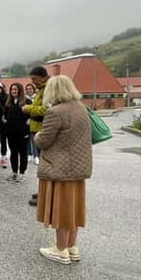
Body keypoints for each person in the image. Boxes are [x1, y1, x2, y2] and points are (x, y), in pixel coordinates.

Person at [34, 76, 93, 264]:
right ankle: (71, 247)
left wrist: (37, 135)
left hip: (61, 167)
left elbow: (44, 141)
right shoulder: (81, 109)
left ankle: (60, 250)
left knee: (62, 209)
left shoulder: (55, 112)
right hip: (79, 166)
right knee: (74, 208)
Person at [23, 68, 48, 206]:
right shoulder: (41, 89)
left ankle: (45, 195)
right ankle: (43, 190)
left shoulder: (48, 89)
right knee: (42, 166)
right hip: (36, 129)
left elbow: (46, 109)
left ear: (43, 77)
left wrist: (28, 108)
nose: (33, 82)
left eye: (34, 79)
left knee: (45, 165)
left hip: (43, 130)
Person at [4, 82, 32, 183]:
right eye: (12, 90)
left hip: (23, 132)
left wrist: (28, 123)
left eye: (15, 89)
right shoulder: (9, 103)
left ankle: (22, 173)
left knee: (23, 153)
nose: (13, 91)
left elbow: (32, 115)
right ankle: (14, 172)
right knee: (13, 153)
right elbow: (5, 116)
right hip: (11, 133)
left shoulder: (27, 101)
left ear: (20, 90)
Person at [25, 83, 40, 165]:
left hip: (35, 120)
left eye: (30, 89)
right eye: (27, 89)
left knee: (35, 139)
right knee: (27, 139)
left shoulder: (37, 98)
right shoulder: (24, 99)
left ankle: (36, 156)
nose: (29, 90)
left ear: (34, 90)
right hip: (26, 122)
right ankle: (29, 154)